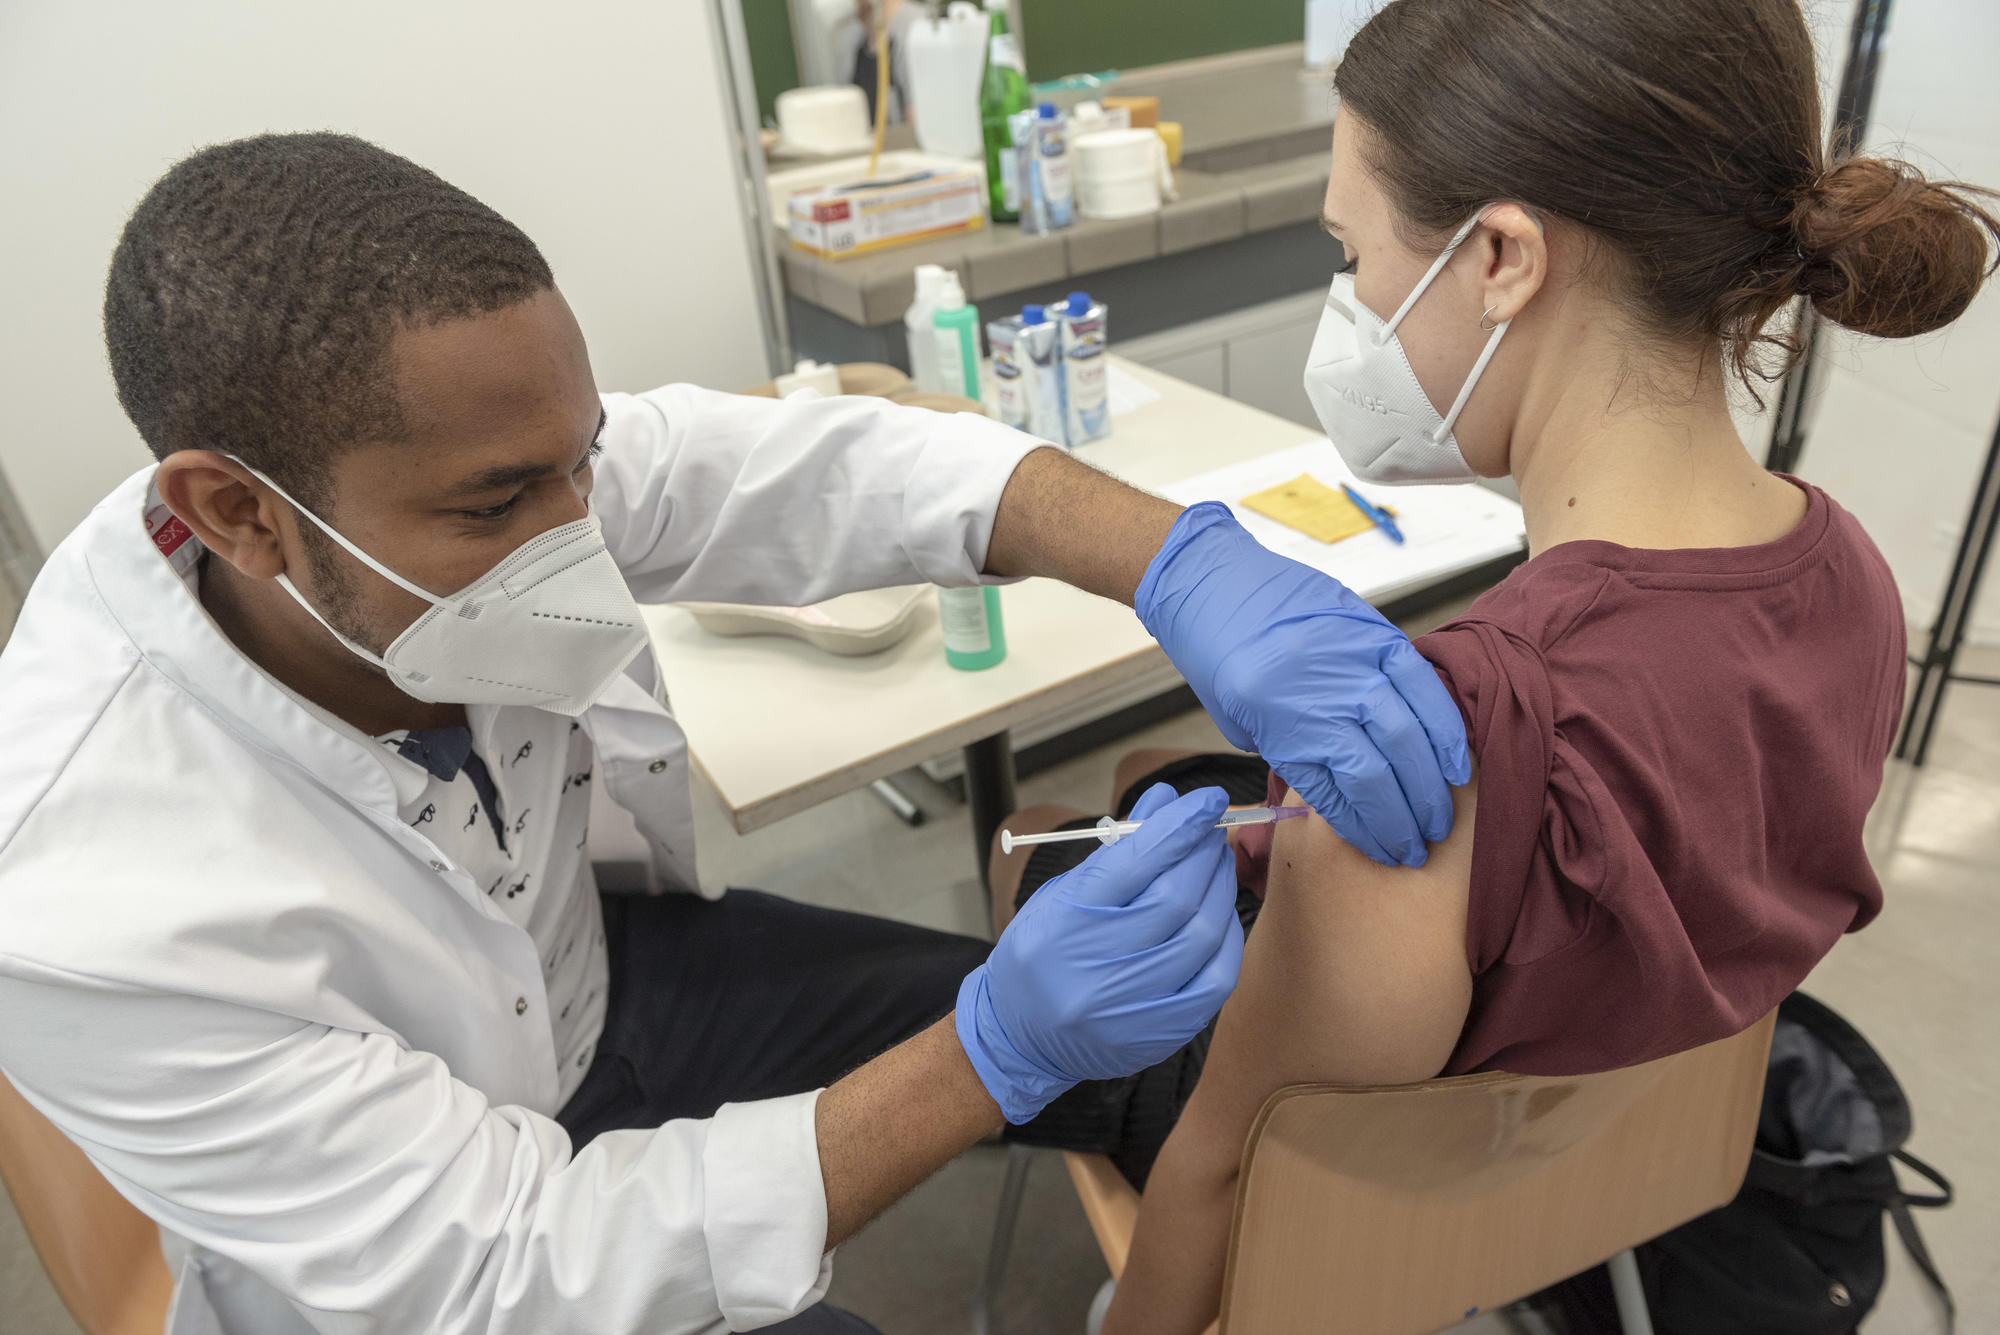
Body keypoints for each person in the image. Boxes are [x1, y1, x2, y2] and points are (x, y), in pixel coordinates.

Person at [0, 132, 1470, 1335]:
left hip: (601, 984)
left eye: (580, 467)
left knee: (1144, 1062)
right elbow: (507, 1273)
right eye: (501, 505)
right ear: (240, 515)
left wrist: (1181, 560)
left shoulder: (468, 470)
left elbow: (827, 470)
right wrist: (987, 1052)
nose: (581, 537)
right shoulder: (89, 896)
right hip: (446, 1263)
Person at [989, 1, 2000, 1331]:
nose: (1349, 309)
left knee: (1033, 849)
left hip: (1399, 1220)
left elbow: (1231, 1168)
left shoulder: (1436, 744)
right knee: (1153, 773)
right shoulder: (1855, 578)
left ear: (1504, 256)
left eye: (1354, 256)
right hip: (1633, 1148)